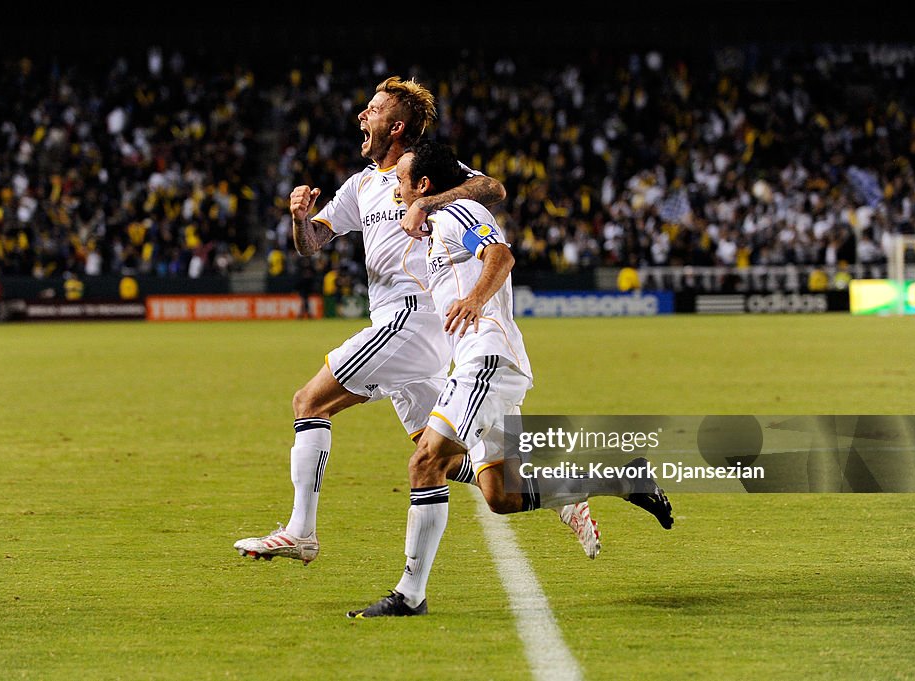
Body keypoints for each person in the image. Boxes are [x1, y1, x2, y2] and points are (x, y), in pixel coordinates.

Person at [234, 77, 601, 565]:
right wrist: (301, 220)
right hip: (403, 328)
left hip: (417, 318)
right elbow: (315, 242)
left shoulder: (423, 170)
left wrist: (427, 201)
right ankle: (564, 491)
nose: (362, 116)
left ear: (398, 125)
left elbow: (493, 187)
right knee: (446, 458)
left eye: (373, 109)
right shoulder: (362, 184)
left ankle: (302, 531)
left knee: (309, 402)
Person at [347, 142, 674, 618]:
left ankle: (409, 595)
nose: (395, 190)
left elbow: (500, 256)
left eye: (401, 181)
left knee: (426, 462)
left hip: (486, 359)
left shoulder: (460, 211)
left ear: (423, 184)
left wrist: (475, 299)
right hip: (482, 364)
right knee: (500, 495)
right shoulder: (440, 223)